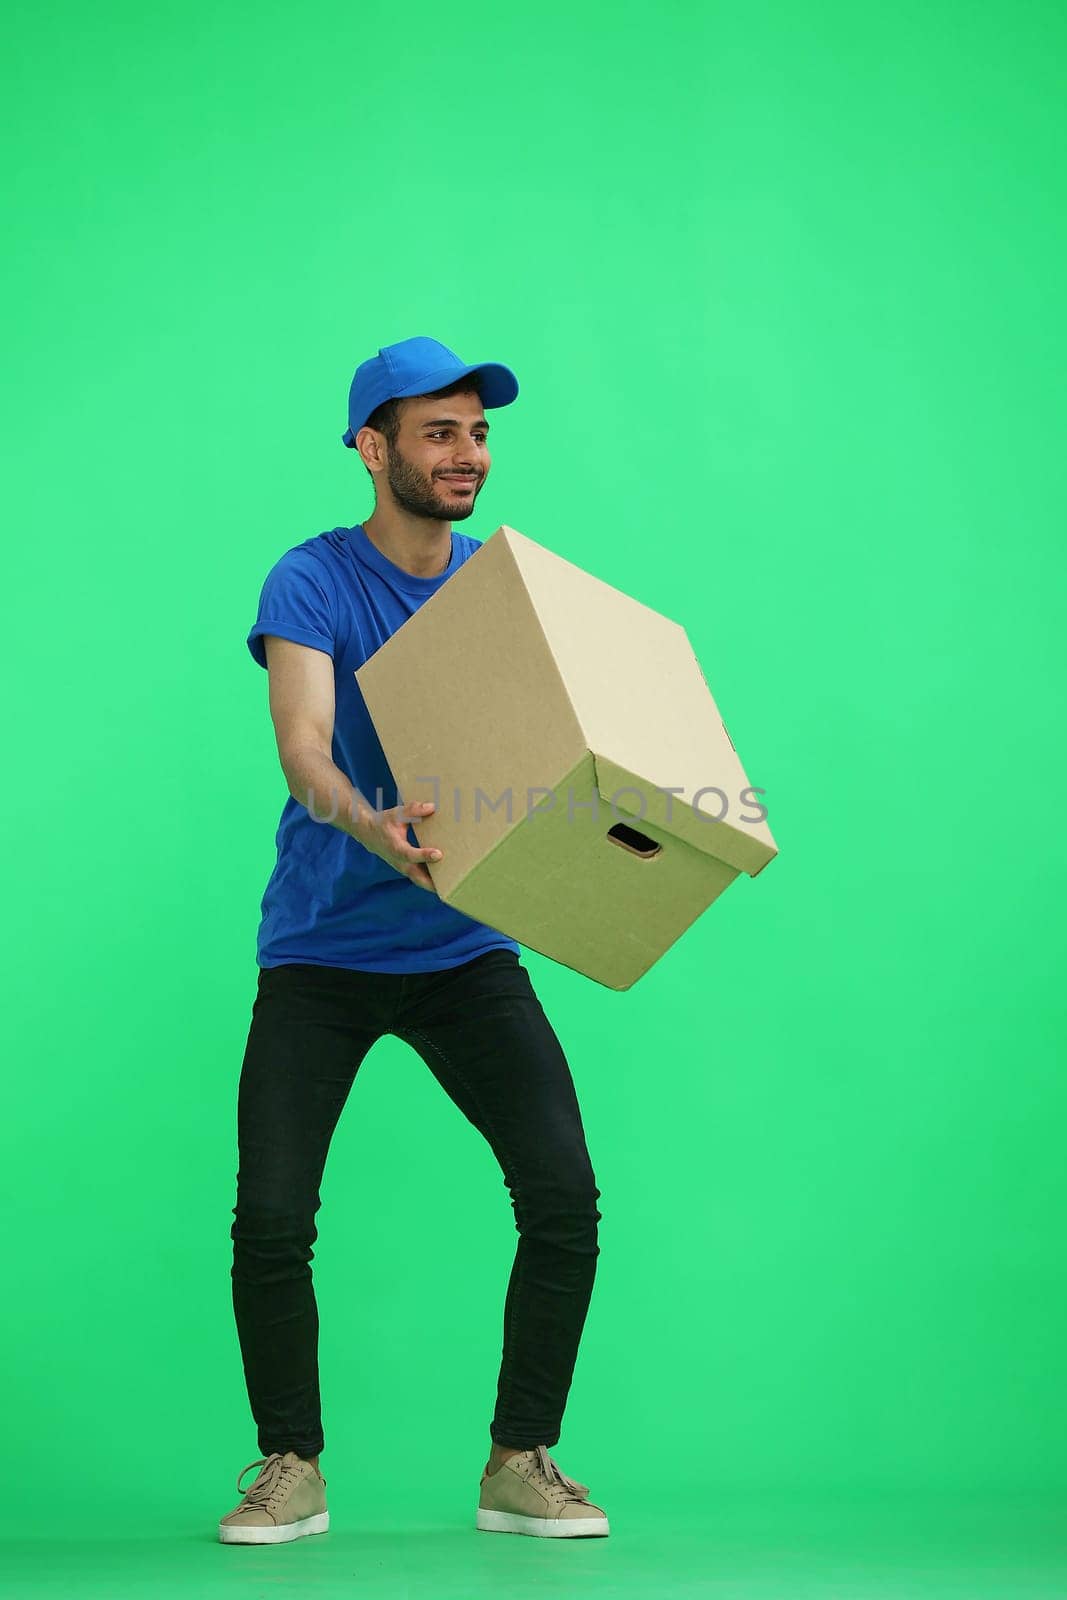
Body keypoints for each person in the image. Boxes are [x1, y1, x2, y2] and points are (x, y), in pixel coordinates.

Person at [219, 337, 609, 1545]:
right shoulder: (313, 579)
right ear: (371, 448)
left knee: (562, 1199)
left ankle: (519, 1459)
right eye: (439, 433)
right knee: (273, 1218)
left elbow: (561, 748)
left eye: (478, 433)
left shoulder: (503, 584)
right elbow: (302, 742)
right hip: (323, 951)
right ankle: (290, 1464)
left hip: (462, 952)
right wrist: (375, 828)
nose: (467, 454)